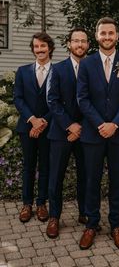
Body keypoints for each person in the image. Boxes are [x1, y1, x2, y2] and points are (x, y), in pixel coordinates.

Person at [77, 17, 119, 250]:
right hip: (93, 133)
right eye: (103, 33)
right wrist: (101, 123)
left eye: (111, 33)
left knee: (116, 181)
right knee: (92, 180)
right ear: (97, 36)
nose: (107, 37)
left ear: (117, 36)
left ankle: (116, 224)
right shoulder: (87, 64)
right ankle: (91, 224)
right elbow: (82, 98)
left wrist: (115, 124)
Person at [46, 27, 89, 238]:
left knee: (86, 175)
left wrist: (80, 127)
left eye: (83, 41)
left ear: (88, 44)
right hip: (61, 132)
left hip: (86, 132)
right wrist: (69, 126)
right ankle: (54, 216)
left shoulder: (93, 68)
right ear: (69, 44)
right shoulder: (58, 68)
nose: (79, 44)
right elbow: (52, 100)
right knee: (56, 177)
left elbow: (98, 102)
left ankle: (84, 213)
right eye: (76, 41)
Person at [14, 32, 55, 223]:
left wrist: (43, 122)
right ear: (33, 49)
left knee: (45, 166)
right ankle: (27, 204)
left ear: (50, 48)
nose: (39, 50)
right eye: (36, 47)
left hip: (48, 128)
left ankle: (41, 204)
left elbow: (58, 102)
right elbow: (18, 99)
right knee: (28, 166)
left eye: (43, 46)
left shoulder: (58, 72)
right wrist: (32, 120)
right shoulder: (22, 71)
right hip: (27, 127)